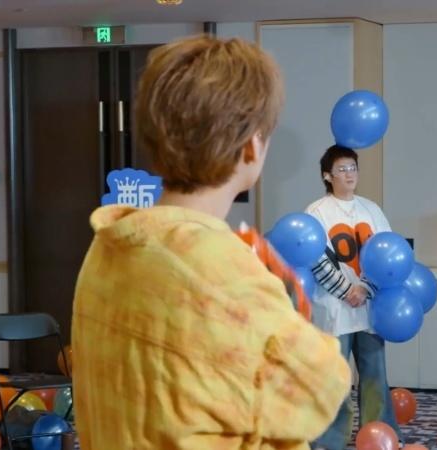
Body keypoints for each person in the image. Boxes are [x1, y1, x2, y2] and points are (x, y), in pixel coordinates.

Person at [72, 35, 351, 450]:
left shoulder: (108, 247)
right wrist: (287, 301)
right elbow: (319, 391)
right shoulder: (225, 271)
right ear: (252, 146)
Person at [305, 145, 402, 450]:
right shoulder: (317, 212)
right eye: (342, 169)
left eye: (353, 168)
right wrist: (347, 291)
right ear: (327, 175)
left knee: (375, 373)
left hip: (370, 307)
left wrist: (365, 289)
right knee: (335, 377)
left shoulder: (371, 210)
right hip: (334, 306)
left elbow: (388, 253)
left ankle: (379, 435)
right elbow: (315, 259)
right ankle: (330, 440)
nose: (349, 174)